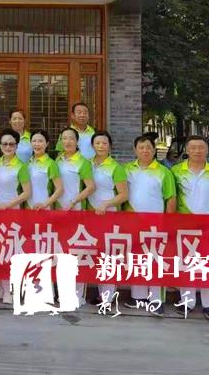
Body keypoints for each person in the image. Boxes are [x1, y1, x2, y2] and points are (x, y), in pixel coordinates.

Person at [170, 135, 209, 320]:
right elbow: (172, 197)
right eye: (193, 148)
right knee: (186, 262)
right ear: (187, 150)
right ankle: (187, 301)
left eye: (201, 147)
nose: (197, 151)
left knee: (208, 262)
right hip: (185, 224)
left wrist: (208, 211)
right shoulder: (176, 171)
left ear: (207, 150)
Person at [123, 134, 176, 315]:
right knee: (136, 259)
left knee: (155, 260)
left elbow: (170, 199)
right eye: (141, 147)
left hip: (155, 224)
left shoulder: (164, 172)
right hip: (132, 222)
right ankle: (138, 297)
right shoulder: (127, 170)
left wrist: (168, 223)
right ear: (135, 150)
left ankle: (156, 299)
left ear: (154, 150)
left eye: (148, 147)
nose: (145, 151)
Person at [0, 128, 32, 305]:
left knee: (10, 252)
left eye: (11, 144)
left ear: (16, 146)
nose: (8, 147)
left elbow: (27, 192)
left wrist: (8, 205)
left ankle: (11, 290)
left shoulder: (21, 166)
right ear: (0, 146)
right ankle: (2, 286)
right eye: (4, 144)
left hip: (12, 213)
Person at [88, 130, 129, 303]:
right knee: (97, 253)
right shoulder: (87, 164)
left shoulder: (116, 167)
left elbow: (123, 195)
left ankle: (108, 296)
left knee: (109, 254)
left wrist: (106, 204)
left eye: (104, 143)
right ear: (92, 145)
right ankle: (101, 293)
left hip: (109, 215)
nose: (101, 146)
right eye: (97, 143)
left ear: (110, 146)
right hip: (90, 214)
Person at [56, 126, 95, 306]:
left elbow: (90, 187)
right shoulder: (57, 160)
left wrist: (74, 201)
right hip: (59, 213)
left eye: (71, 138)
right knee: (62, 253)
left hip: (77, 212)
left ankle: (79, 294)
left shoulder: (83, 162)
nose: (67, 141)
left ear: (77, 141)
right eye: (64, 138)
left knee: (77, 255)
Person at [26, 129, 63, 210]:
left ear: (47, 144)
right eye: (34, 141)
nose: (37, 144)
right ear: (30, 143)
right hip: (28, 207)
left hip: (44, 208)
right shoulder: (28, 163)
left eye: (40, 141)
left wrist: (45, 204)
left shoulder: (51, 164)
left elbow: (59, 189)